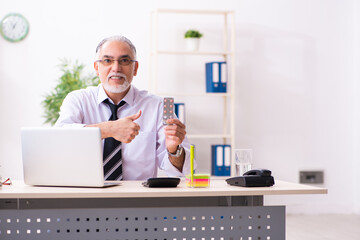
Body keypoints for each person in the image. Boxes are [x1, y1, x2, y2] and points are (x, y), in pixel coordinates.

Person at [55, 35, 193, 180]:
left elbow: (183, 172)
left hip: (137, 197)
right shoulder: (78, 100)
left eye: (125, 61)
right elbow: (59, 138)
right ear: (97, 67)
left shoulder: (159, 106)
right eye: (107, 60)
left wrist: (174, 150)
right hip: (85, 195)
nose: (116, 68)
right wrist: (109, 129)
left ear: (135, 68)